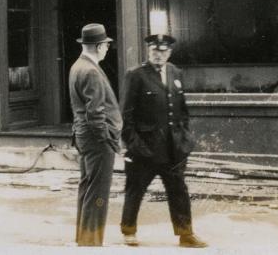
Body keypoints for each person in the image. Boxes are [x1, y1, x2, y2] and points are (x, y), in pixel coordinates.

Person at [120, 33, 207, 248]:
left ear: (170, 52)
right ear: (149, 51)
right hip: (145, 149)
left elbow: (183, 110)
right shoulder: (136, 75)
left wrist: (184, 139)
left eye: (163, 51)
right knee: (135, 190)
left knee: (179, 191)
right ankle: (129, 230)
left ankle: (186, 234)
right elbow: (126, 116)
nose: (159, 55)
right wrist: (135, 146)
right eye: (154, 51)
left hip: (173, 149)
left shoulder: (175, 72)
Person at [69, 23, 123, 246]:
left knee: (87, 188)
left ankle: (84, 239)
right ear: (99, 46)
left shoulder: (77, 66)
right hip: (97, 141)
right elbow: (95, 113)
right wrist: (108, 139)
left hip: (84, 137)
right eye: (106, 45)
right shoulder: (91, 70)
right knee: (98, 192)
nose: (108, 48)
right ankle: (91, 243)